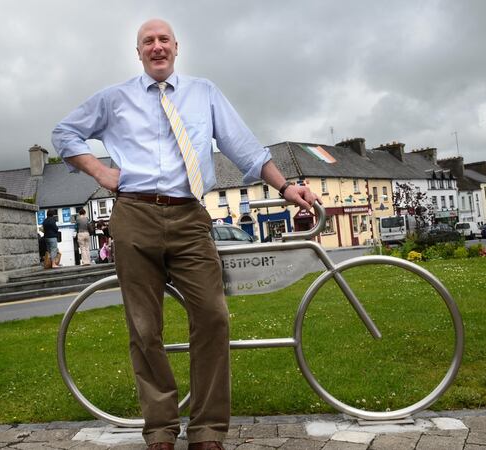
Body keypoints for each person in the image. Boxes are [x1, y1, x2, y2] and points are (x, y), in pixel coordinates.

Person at [52, 18, 320, 450]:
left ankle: (207, 430)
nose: (157, 47)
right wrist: (100, 171)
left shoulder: (204, 93)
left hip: (190, 217)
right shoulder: (115, 99)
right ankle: (159, 429)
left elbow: (245, 149)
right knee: (144, 328)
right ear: (138, 52)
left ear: (176, 48)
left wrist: (287, 188)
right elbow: (64, 133)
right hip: (134, 215)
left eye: (164, 40)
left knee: (213, 317)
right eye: (148, 41)